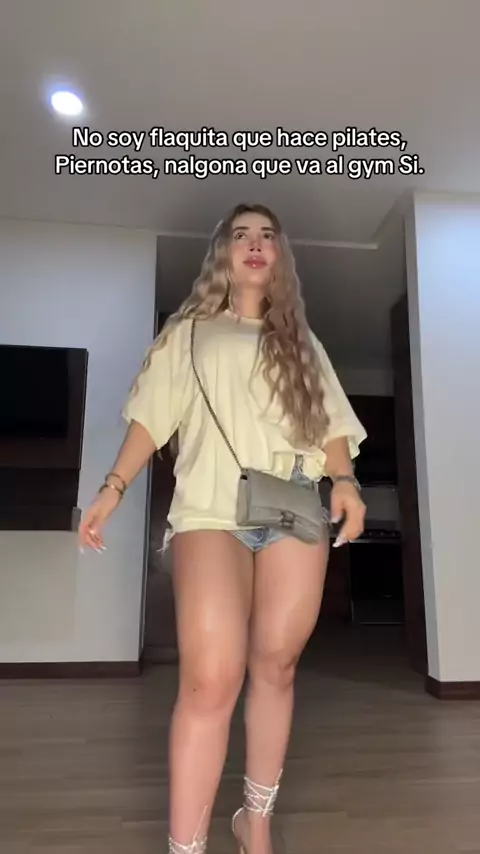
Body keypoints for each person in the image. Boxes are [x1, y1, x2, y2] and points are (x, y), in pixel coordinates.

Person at [79, 203, 367, 854]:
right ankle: (186, 848)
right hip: (211, 512)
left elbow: (331, 426)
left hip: (294, 508)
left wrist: (346, 482)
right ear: (224, 255)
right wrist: (112, 488)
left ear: (280, 256)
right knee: (211, 678)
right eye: (241, 235)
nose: (255, 243)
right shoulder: (190, 332)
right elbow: (152, 417)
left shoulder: (304, 342)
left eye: (267, 236)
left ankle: (253, 821)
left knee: (277, 666)